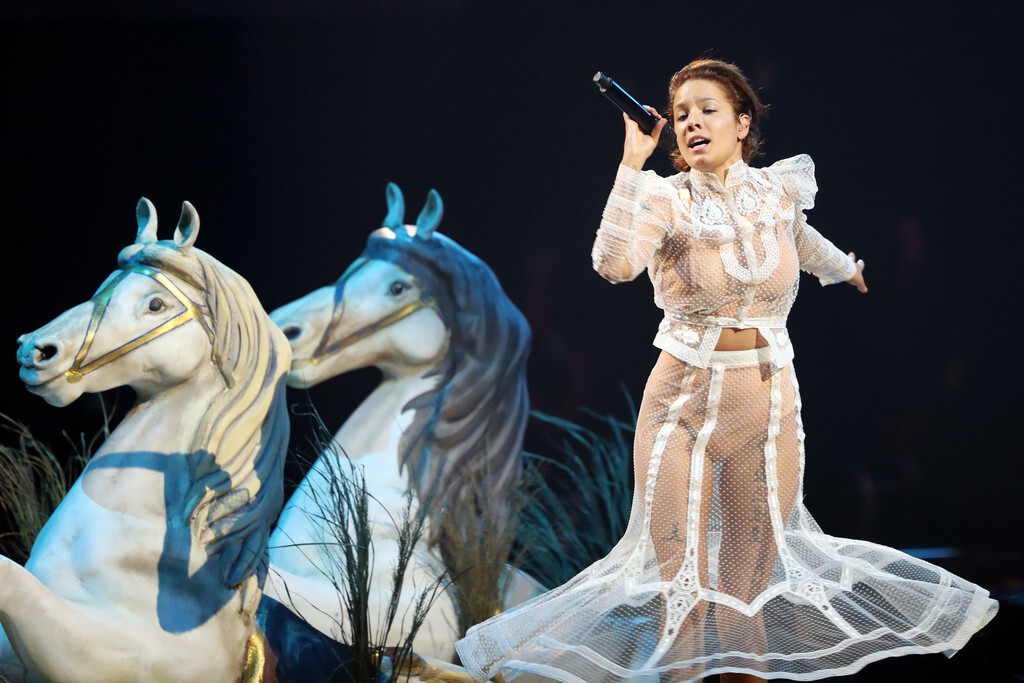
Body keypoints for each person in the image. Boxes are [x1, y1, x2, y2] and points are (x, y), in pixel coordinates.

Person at [455, 59, 997, 683]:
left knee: (747, 594)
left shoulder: (776, 193)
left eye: (706, 110)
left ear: (742, 123)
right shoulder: (666, 199)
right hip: (681, 409)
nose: (691, 122)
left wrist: (846, 268)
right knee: (681, 590)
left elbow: (805, 242)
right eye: (681, 114)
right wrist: (632, 163)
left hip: (767, 408)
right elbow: (612, 264)